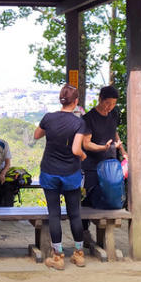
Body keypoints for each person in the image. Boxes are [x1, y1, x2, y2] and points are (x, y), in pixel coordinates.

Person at [34, 84, 87, 270]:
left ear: (60, 100)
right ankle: (79, 254)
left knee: (54, 214)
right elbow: (75, 149)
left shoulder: (48, 118)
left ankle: (57, 257)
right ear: (76, 101)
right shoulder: (79, 122)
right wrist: (82, 155)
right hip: (71, 173)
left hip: (49, 171)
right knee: (74, 214)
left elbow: (36, 135)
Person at [81, 85, 127, 233]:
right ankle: (84, 230)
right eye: (107, 103)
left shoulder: (113, 114)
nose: (110, 107)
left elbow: (114, 132)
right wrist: (102, 148)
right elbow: (86, 144)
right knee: (93, 199)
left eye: (113, 104)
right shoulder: (88, 118)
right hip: (93, 166)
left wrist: (122, 150)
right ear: (100, 99)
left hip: (111, 164)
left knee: (111, 196)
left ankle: (104, 235)